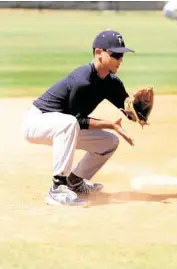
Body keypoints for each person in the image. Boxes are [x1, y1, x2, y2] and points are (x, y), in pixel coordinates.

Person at [22, 29, 153, 206]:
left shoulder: (112, 83)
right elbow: (76, 120)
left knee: (109, 142)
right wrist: (109, 124)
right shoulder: (82, 80)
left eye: (122, 55)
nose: (120, 60)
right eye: (116, 54)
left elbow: (129, 111)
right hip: (38, 122)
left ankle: (75, 181)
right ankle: (57, 189)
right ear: (99, 53)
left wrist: (141, 110)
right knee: (69, 123)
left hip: (64, 125)